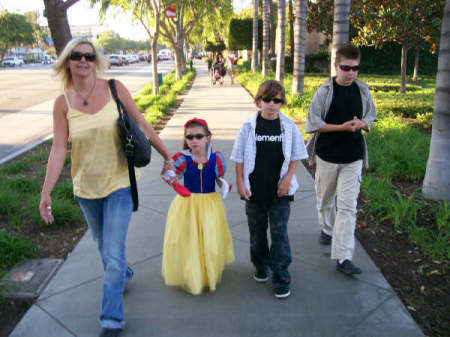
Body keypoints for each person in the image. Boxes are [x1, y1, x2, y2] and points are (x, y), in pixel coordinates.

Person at [39, 38, 174, 337]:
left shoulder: (115, 89)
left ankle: (111, 320)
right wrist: (45, 191)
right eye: (76, 55)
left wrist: (167, 156)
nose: (83, 60)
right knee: (105, 248)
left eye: (89, 55)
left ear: (95, 60)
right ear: (67, 60)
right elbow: (59, 149)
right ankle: (122, 273)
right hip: (86, 190)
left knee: (112, 253)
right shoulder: (62, 102)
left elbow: (142, 124)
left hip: (119, 185)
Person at [230, 80, 308, 299]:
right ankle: (261, 264)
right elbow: (238, 158)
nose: (271, 104)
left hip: (280, 193)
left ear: (282, 102)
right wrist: (240, 183)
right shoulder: (248, 127)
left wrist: (288, 179)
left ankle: (281, 274)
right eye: (267, 99)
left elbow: (296, 155)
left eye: (277, 100)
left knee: (279, 233)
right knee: (257, 233)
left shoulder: (289, 127)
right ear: (258, 101)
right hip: (254, 192)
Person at [305, 44, 376, 276]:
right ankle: (326, 228)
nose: (351, 73)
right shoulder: (324, 92)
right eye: (346, 68)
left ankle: (343, 256)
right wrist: (342, 127)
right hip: (327, 156)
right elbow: (314, 123)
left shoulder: (363, 91)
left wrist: (362, 124)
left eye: (355, 69)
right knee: (325, 199)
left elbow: (371, 115)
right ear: (336, 66)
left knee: (348, 206)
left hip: (353, 158)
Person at [161, 118, 235, 295]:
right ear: (185, 139)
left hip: (210, 203)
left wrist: (222, 183)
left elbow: (218, 177)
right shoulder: (183, 158)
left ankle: (208, 270)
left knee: (209, 238)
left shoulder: (216, 158)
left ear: (207, 137)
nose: (194, 140)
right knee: (190, 238)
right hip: (188, 203)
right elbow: (169, 172)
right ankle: (193, 272)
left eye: (199, 136)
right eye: (190, 137)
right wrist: (175, 183)